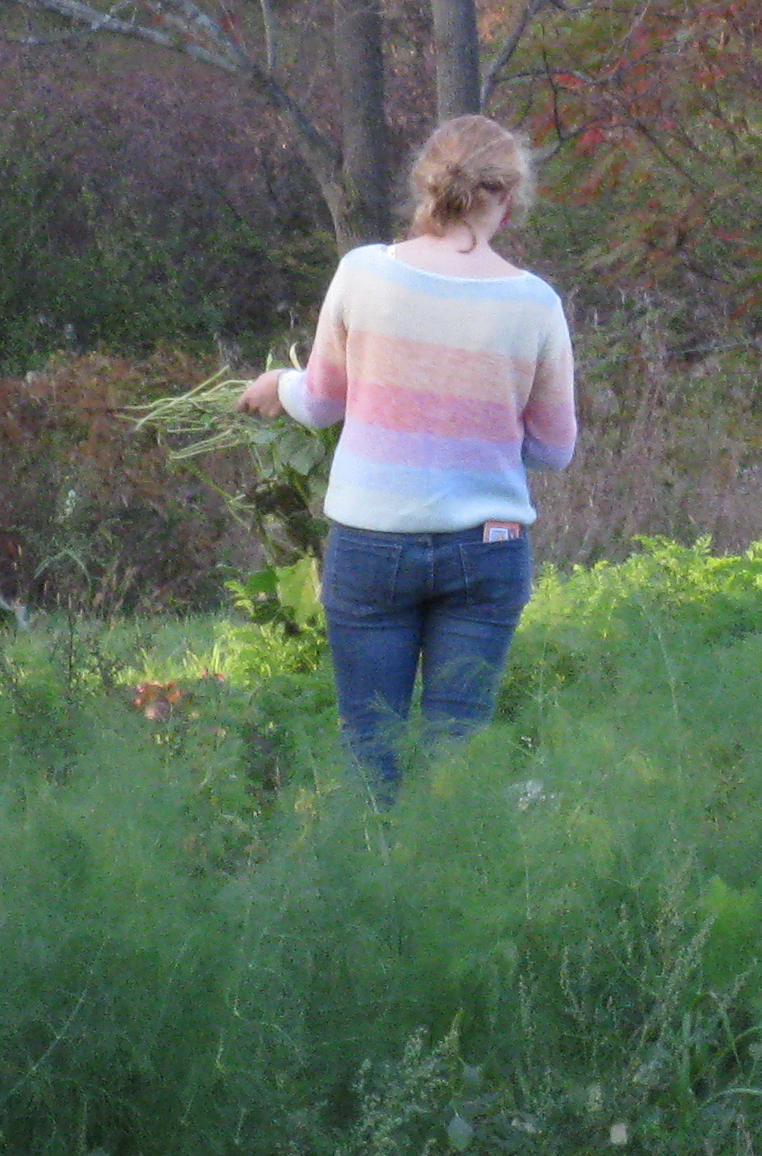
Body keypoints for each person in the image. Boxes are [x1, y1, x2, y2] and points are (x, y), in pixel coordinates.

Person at [243, 115, 578, 795]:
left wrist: (276, 386)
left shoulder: (362, 273)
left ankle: (374, 888)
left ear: (426, 185)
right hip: (488, 547)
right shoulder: (535, 304)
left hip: (372, 545)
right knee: (458, 752)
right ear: (508, 199)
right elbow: (555, 448)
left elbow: (321, 401)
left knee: (371, 747)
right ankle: (455, 885)